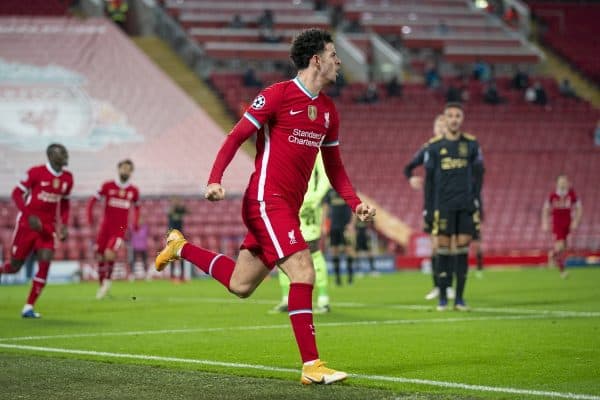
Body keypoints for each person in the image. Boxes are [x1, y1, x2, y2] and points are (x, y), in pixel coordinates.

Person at [154, 28, 375, 385]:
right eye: (334, 55)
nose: (339, 62)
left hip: (285, 205)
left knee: (242, 285)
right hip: (266, 200)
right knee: (304, 271)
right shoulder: (278, 94)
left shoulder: (329, 111)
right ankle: (312, 366)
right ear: (316, 59)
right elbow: (236, 136)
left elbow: (335, 167)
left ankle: (179, 246)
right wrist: (214, 179)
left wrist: (355, 203)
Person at [0, 143, 73, 318]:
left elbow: (64, 202)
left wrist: (63, 224)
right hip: (27, 225)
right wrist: (28, 214)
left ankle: (28, 307)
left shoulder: (68, 178)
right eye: (60, 153)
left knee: (45, 262)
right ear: (50, 156)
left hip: (47, 228)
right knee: (14, 267)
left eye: (65, 152)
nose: (65, 155)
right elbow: (17, 193)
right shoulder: (36, 172)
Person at [424, 103, 484, 311]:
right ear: (445, 119)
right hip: (443, 206)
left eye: (458, 116)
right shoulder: (434, 146)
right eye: (450, 116)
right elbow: (429, 181)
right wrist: (428, 209)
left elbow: (479, 174)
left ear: (462, 119)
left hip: (465, 206)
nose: (454, 119)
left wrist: (476, 200)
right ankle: (442, 297)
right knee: (442, 250)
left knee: (461, 251)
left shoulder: (471, 144)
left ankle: (459, 299)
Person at [272, 152, 332, 314]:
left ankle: (323, 299)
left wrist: (316, 196)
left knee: (313, 252)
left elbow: (326, 174)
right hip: (286, 202)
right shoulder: (284, 144)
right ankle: (287, 299)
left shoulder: (315, 146)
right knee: (282, 253)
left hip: (307, 204)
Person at [404, 115, 454, 301]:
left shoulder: (454, 150)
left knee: (447, 245)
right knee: (435, 246)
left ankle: (448, 285)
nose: (441, 129)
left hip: (449, 203)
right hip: (431, 204)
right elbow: (408, 167)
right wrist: (411, 178)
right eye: (438, 126)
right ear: (434, 129)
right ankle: (438, 286)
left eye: (444, 126)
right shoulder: (428, 149)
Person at [87, 159, 139, 299]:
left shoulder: (133, 191)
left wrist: (135, 223)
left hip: (120, 228)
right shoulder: (107, 186)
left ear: (131, 172)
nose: (125, 171)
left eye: (128, 169)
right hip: (105, 227)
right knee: (100, 256)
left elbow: (137, 207)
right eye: (123, 168)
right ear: (118, 169)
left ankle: (107, 282)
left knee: (110, 253)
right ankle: (102, 284)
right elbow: (92, 201)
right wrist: (89, 217)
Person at [541, 175, 582, 279]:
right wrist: (544, 222)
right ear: (557, 183)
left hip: (567, 223)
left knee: (563, 248)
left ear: (568, 183)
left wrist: (576, 221)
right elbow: (545, 209)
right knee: (560, 246)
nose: (563, 184)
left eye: (564, 182)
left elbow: (579, 208)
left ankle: (553, 255)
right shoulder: (553, 195)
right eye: (561, 182)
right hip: (557, 223)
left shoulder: (571, 194)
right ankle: (562, 271)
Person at [324, 188, 355, 285]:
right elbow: (325, 209)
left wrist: (352, 224)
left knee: (349, 250)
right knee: (334, 251)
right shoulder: (329, 192)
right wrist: (324, 224)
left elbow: (354, 206)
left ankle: (350, 278)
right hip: (334, 226)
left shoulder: (349, 189)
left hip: (346, 226)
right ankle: (338, 279)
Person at [167, 196, 187, 282]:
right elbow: (169, 213)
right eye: (174, 201)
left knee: (181, 256)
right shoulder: (170, 211)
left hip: (180, 237)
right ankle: (172, 276)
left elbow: (189, 211)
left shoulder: (180, 210)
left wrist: (181, 206)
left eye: (177, 201)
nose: (176, 203)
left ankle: (182, 276)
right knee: (172, 257)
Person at [129, 214, 149, 280]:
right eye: (138, 220)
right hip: (135, 246)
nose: (140, 221)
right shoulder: (132, 227)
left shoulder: (145, 227)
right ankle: (132, 274)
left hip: (143, 246)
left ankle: (146, 274)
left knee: (145, 261)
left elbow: (145, 235)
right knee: (133, 261)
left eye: (141, 219)